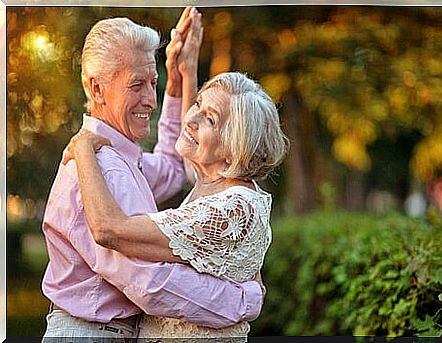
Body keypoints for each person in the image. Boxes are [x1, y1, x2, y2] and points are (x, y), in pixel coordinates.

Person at [41, 8, 264, 340]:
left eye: (153, 83)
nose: (151, 99)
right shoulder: (103, 169)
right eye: (136, 85)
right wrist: (245, 299)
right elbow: (150, 283)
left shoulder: (123, 158)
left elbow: (174, 168)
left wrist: (177, 83)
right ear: (98, 90)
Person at [64, 71, 289, 341]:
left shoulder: (232, 208)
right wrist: (184, 71)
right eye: (197, 103)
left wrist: (84, 146)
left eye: (210, 119)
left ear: (234, 146)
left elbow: (109, 230)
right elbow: (180, 160)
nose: (191, 119)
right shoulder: (209, 186)